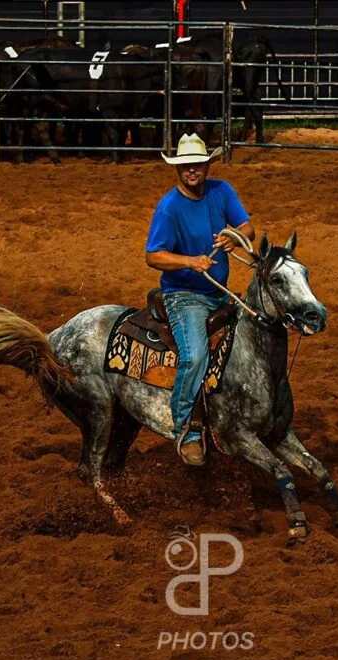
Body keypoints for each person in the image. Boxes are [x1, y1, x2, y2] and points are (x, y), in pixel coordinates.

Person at [145, 133, 254, 466]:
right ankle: (187, 429)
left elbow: (247, 226)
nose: (192, 170)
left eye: (198, 164)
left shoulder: (222, 191)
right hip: (184, 296)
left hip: (219, 292)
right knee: (194, 357)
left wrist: (234, 237)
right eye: (186, 166)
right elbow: (153, 256)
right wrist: (190, 261)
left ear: (207, 165)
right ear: (178, 169)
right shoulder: (168, 208)